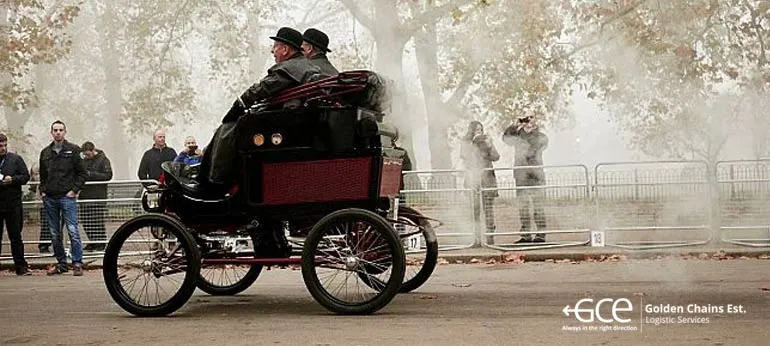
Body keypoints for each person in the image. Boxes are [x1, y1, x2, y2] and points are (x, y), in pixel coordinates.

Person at [199, 27, 324, 192]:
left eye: (275, 46)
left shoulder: (289, 69)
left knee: (228, 128)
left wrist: (239, 104)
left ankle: (216, 181)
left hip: (284, 125)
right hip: (292, 122)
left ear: (285, 49)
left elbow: (262, 89)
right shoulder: (303, 66)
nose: (273, 51)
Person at [39, 120, 88, 276]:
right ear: (51, 132)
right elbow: (42, 175)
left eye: (61, 130)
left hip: (67, 197)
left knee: (73, 230)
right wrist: (43, 190)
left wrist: (74, 190)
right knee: (54, 232)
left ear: (65, 132)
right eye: (55, 130)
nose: (58, 132)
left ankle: (77, 262)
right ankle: (61, 263)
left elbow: (83, 173)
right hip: (50, 198)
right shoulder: (45, 152)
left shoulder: (74, 150)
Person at [502, 114, 549, 243]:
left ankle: (541, 234)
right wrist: (515, 125)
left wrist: (533, 129)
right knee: (523, 206)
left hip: (536, 175)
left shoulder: (539, 136)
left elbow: (540, 144)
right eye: (526, 119)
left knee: (538, 205)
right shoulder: (518, 135)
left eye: (530, 119)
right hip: (521, 175)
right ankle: (525, 235)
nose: (527, 122)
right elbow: (505, 139)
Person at [460, 121, 500, 245]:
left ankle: (489, 237)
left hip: (487, 179)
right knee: (475, 209)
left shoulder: (487, 141)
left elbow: (496, 157)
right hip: (473, 179)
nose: (479, 132)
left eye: (480, 129)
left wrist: (489, 145)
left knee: (488, 209)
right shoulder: (466, 142)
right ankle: (476, 238)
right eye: (476, 130)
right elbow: (465, 156)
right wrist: (474, 143)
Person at [0, 133, 32, 275]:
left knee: (15, 236)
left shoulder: (15, 159)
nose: (3, 148)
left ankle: (20, 266)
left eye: (5, 145)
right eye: (0, 146)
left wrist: (12, 179)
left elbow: (25, 176)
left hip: (13, 204)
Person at [79, 141, 113, 251]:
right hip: (85, 195)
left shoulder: (103, 160)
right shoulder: (83, 161)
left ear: (93, 151)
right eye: (85, 155)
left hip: (98, 195)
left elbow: (108, 175)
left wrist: (91, 175)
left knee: (97, 220)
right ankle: (92, 241)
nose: (86, 157)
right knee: (86, 220)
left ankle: (100, 242)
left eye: (88, 154)